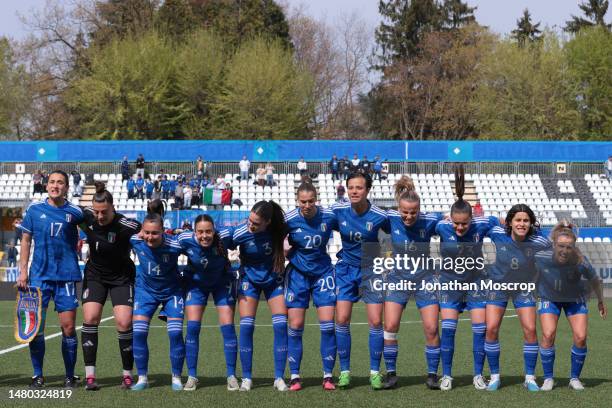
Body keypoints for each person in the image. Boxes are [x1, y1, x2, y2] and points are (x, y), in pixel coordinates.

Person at [16, 170, 85, 388]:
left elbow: (96, 230)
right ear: (46, 185)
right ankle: (38, 375)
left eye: (60, 183)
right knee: (37, 328)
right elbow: (26, 241)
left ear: (66, 187)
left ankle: (69, 375)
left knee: (68, 328)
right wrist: (23, 271)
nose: (56, 185)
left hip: (66, 276)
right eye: (52, 182)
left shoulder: (75, 212)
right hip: (39, 278)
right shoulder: (35, 210)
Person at [435, 167, 500, 391]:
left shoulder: (481, 225)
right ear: (450, 218)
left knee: (479, 329)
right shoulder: (441, 226)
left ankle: (477, 375)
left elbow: (499, 220)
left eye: (465, 223)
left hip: (476, 283)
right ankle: (447, 375)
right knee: (449, 329)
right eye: (456, 223)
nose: (460, 227)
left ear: (472, 218)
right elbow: (423, 222)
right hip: (449, 283)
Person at [79, 182, 142, 390]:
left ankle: (127, 375)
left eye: (103, 212)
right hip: (95, 275)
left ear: (113, 207)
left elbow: (148, 233)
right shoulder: (87, 216)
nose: (99, 216)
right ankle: (90, 377)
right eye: (96, 212)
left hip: (121, 277)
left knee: (124, 323)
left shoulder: (126, 226)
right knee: (90, 318)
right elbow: (70, 213)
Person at [382, 176, 443, 390]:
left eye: (413, 212)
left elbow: (451, 222)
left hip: (425, 279)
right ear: (399, 209)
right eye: (405, 212)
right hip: (397, 278)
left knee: (432, 328)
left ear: (419, 209)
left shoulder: (430, 221)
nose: (408, 216)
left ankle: (433, 375)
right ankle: (390, 374)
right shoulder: (389, 218)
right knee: (390, 326)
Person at [331, 172, 390, 389]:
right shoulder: (338, 212)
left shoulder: (380, 215)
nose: (354, 191)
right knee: (342, 319)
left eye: (359, 188)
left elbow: (399, 230)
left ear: (368, 190)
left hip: (371, 271)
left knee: (375, 321)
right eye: (351, 187)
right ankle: (345, 371)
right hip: (346, 270)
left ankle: (375, 372)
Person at [484, 204, 551, 391]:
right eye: (518, 220)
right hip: (498, 286)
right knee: (491, 328)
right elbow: (483, 223)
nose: (522, 224)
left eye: (526, 220)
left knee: (530, 330)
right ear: (510, 222)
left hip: (523, 287)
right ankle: (495, 376)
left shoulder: (539, 240)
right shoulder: (498, 233)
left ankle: (529, 377)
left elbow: (556, 246)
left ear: (531, 223)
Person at [224, 201, 288, 392]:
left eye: (255, 223)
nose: (250, 225)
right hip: (249, 281)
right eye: (249, 220)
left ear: (267, 222)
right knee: (246, 326)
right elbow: (219, 243)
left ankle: (279, 377)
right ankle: (247, 378)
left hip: (273, 280)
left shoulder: (279, 230)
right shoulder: (240, 233)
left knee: (280, 325)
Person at [284, 183, 338, 391]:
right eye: (303, 201)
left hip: (323, 274)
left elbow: (349, 226)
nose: (307, 205)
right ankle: (295, 376)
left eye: (310, 201)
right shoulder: (289, 219)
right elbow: (271, 234)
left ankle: (327, 376)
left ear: (316, 199)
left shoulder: (328, 216)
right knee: (295, 326)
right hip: (297, 275)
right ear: (298, 200)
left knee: (327, 326)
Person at [178, 215, 239, 391]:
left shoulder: (226, 236)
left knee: (228, 327)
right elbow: (167, 245)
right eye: (200, 232)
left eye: (208, 231)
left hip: (222, 283)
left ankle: (231, 375)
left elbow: (248, 234)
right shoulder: (185, 239)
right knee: (193, 328)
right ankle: (192, 376)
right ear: (194, 232)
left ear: (214, 230)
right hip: (196, 285)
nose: (205, 236)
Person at [130, 213, 186, 391]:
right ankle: (142, 378)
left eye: (155, 233)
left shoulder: (175, 244)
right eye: (146, 232)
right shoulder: (135, 240)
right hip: (145, 292)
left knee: (175, 333)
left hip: (172, 292)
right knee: (138, 333)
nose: (150, 237)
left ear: (163, 231)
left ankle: (176, 377)